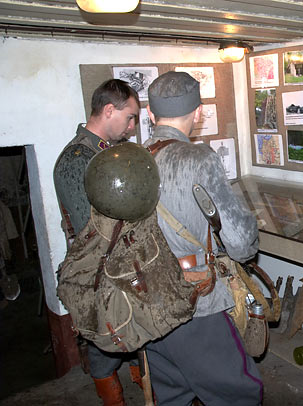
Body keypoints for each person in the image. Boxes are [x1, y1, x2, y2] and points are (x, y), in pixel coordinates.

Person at [144, 71, 262, 405]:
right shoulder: (200, 159)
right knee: (241, 392)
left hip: (146, 299)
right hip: (196, 300)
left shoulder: (132, 158)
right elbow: (239, 240)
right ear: (198, 113)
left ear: (150, 114)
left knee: (172, 394)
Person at [53, 79, 141, 406]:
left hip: (121, 261)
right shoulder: (78, 159)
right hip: (96, 270)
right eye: (129, 117)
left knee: (134, 336)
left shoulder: (106, 154)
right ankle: (113, 400)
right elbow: (90, 230)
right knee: (105, 341)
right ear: (108, 110)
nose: (132, 127)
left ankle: (144, 386)